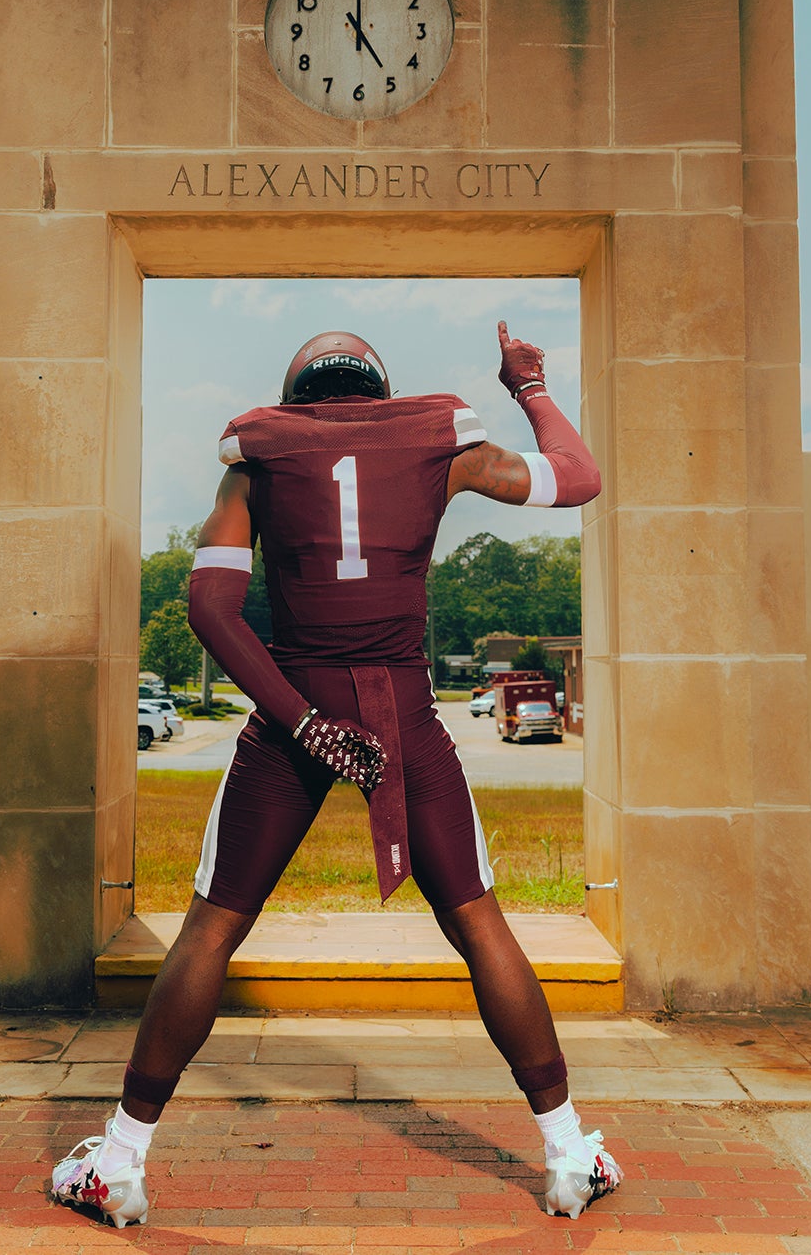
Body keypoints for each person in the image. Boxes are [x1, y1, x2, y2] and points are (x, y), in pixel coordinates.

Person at [52, 321, 617, 1229]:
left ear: (295, 395)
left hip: (292, 708)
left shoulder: (259, 459)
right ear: (377, 390)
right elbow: (576, 479)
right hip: (404, 710)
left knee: (208, 932)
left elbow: (209, 605)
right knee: (479, 924)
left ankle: (119, 1161)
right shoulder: (443, 445)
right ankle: (567, 1151)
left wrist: (305, 721)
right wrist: (529, 384)